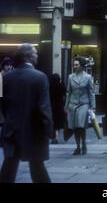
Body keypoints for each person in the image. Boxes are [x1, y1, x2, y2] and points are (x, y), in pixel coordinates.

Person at [0, 44, 53, 183]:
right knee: (37, 168)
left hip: (12, 130)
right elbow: (44, 107)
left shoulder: (6, 77)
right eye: (35, 53)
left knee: (9, 168)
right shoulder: (40, 77)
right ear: (28, 56)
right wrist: (48, 129)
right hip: (34, 131)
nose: (37, 55)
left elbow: (3, 104)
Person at [65, 56, 95, 155]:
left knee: (81, 126)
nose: (74, 66)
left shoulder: (88, 77)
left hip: (84, 104)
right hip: (72, 105)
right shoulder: (70, 77)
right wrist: (66, 106)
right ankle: (77, 146)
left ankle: (84, 144)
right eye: (74, 64)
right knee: (74, 127)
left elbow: (91, 92)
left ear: (82, 66)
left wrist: (92, 106)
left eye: (77, 65)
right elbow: (69, 92)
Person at [49, 73, 66, 144]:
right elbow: (64, 95)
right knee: (58, 123)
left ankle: (52, 137)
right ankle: (56, 136)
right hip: (59, 106)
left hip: (52, 105)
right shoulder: (61, 85)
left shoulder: (50, 86)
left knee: (52, 122)